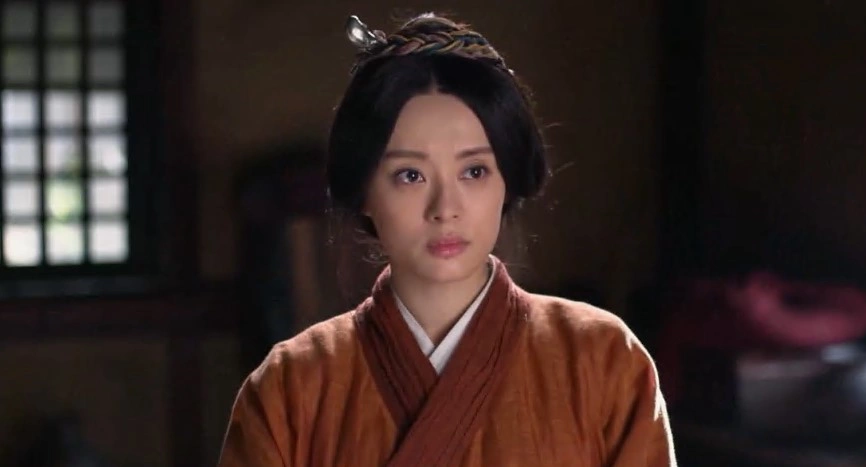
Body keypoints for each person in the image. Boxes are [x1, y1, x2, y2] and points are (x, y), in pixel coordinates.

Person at [217, 13, 675, 467]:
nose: (445, 207)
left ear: (507, 180)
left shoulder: (603, 359)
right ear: (365, 193)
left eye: (474, 171)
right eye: (410, 175)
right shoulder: (288, 387)